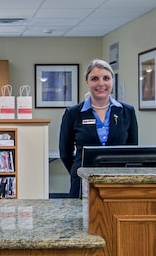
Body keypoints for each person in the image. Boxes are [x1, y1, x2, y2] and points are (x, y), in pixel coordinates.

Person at [58, 59, 139, 198]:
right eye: (94, 79)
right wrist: (78, 171)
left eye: (106, 78)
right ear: (87, 82)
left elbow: (132, 151)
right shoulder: (73, 113)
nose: (101, 83)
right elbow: (65, 152)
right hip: (83, 182)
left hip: (117, 182)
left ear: (112, 81)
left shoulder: (127, 112)